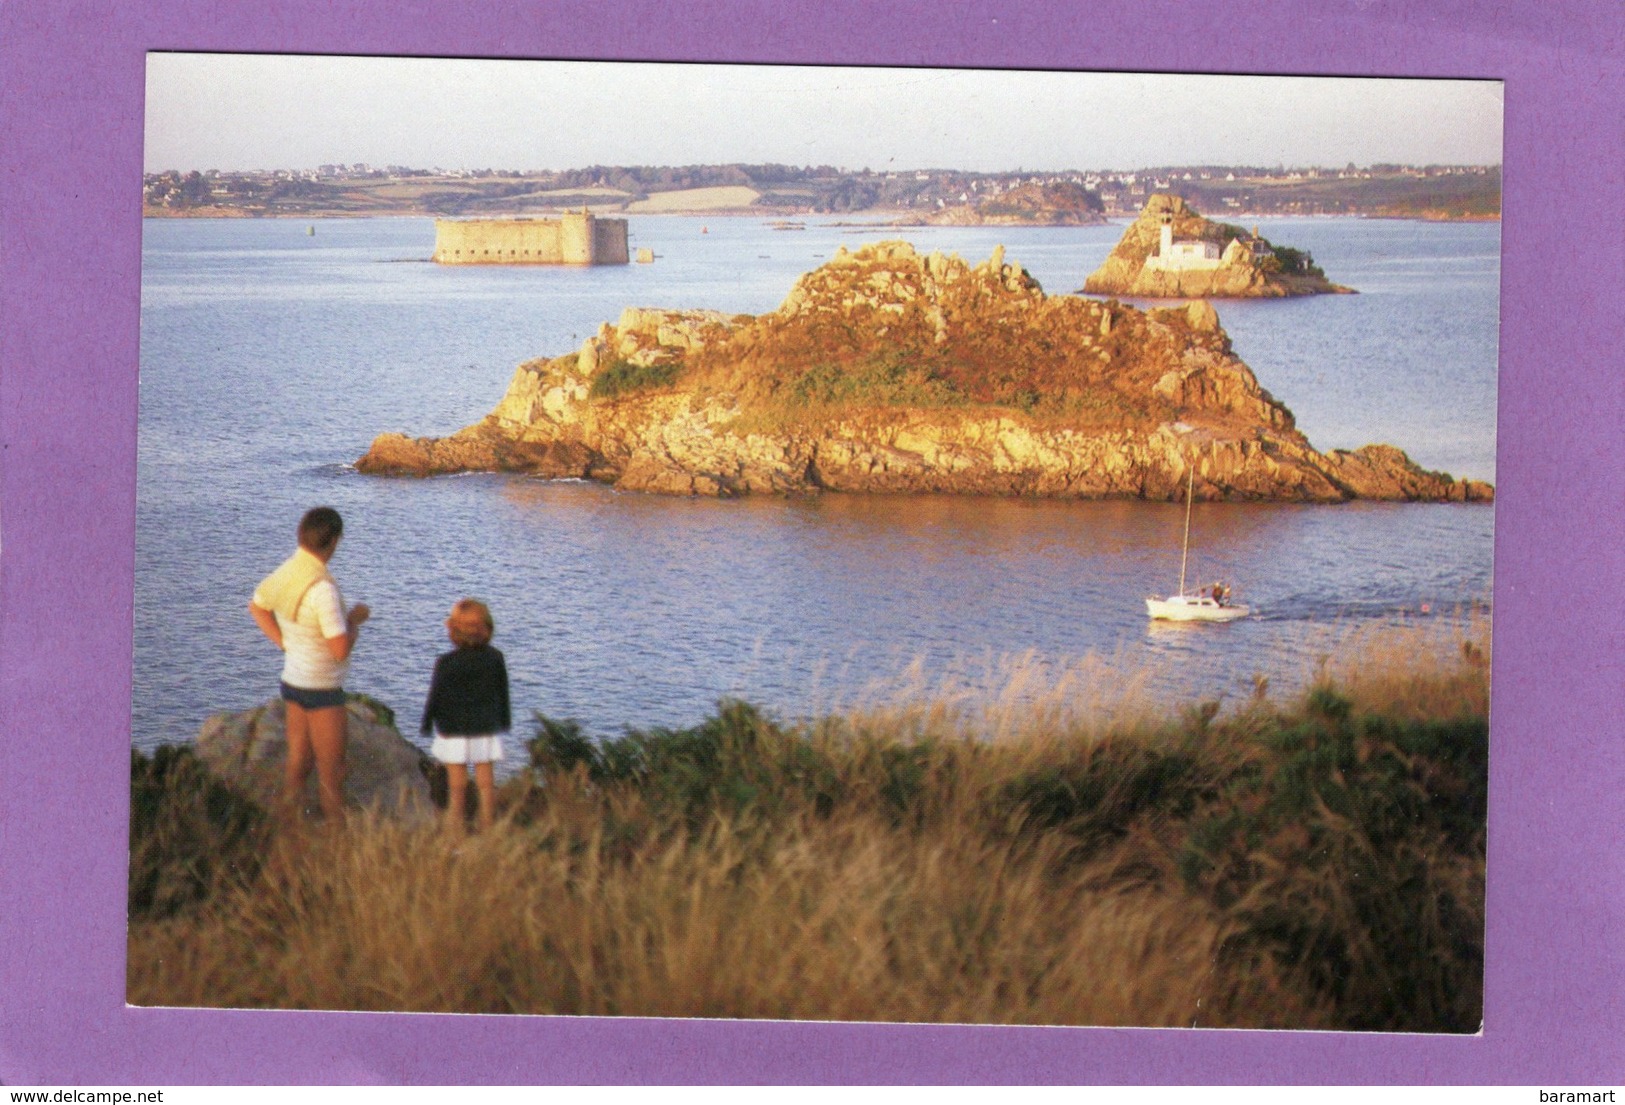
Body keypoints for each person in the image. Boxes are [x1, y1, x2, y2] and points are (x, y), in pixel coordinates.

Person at [249, 507, 369, 826]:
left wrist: (284, 643)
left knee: (298, 764)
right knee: (333, 773)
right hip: (322, 689)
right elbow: (340, 649)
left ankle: (288, 832)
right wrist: (354, 622)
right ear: (335, 541)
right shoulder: (322, 589)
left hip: (293, 681)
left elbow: (257, 606)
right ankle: (336, 846)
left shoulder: (289, 571)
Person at [421, 599, 510, 832]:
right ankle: (489, 828)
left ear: (453, 630)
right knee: (486, 784)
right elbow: (502, 692)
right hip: (485, 727)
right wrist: (504, 720)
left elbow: (435, 697)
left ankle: (455, 833)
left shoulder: (446, 662)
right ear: (488, 628)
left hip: (454, 729)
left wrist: (427, 723)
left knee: (457, 785)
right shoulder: (495, 657)